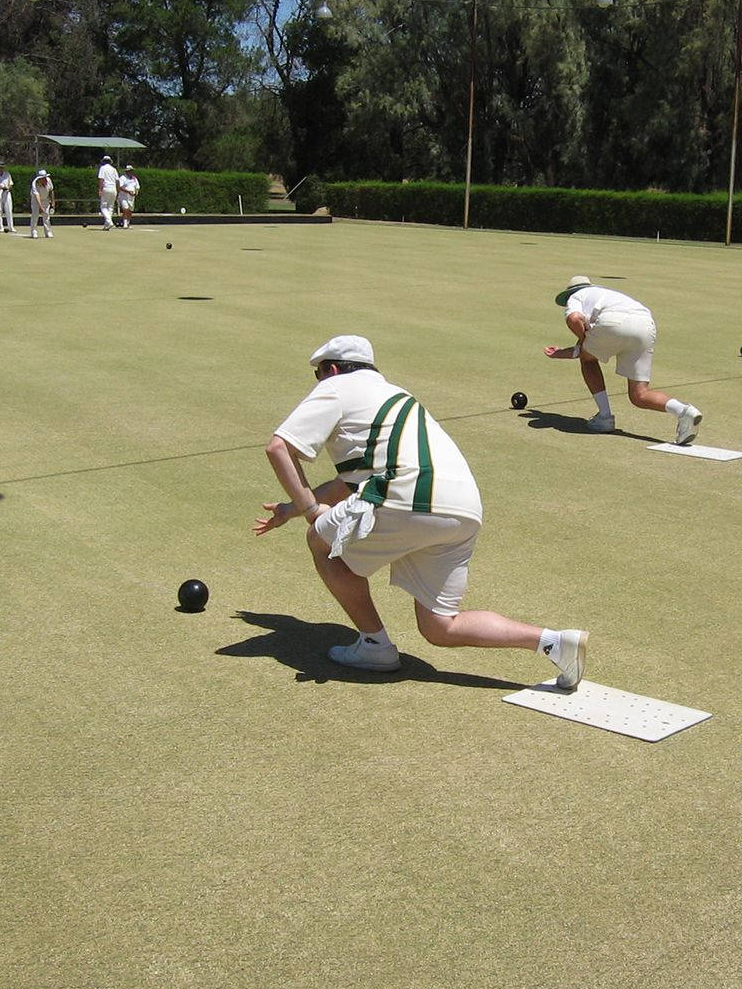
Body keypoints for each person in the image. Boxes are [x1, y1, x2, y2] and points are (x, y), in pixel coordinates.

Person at [253, 334, 589, 685]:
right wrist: (291, 508)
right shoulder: (397, 395)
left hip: (408, 495)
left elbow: (279, 448)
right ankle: (554, 642)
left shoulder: (337, 386)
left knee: (320, 541)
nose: (319, 382)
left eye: (319, 374)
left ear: (333, 369)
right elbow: (352, 484)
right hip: (462, 507)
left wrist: (309, 511)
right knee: (440, 626)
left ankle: (374, 644)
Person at [542, 276, 702, 444]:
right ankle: (684, 412)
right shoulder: (606, 295)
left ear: (569, 294)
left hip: (613, 322)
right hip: (646, 324)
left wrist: (582, 343)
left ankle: (604, 417)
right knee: (639, 395)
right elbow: (585, 346)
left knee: (588, 361)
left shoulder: (576, 297)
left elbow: (574, 319)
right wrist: (572, 349)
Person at [29, 168, 55, 239]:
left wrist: (53, 202)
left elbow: (51, 191)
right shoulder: (34, 184)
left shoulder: (49, 180)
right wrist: (40, 207)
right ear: (39, 179)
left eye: (45, 177)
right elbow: (37, 196)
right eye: (43, 178)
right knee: (35, 215)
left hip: (46, 199)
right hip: (35, 200)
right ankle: (34, 232)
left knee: (46, 216)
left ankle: (48, 232)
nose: (45, 179)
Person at [97, 155, 118, 230]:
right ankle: (107, 225)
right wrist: (117, 191)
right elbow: (117, 180)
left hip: (106, 188)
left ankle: (109, 222)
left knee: (103, 207)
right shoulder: (114, 169)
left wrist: (100, 189)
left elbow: (101, 179)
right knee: (110, 207)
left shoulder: (102, 168)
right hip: (113, 189)